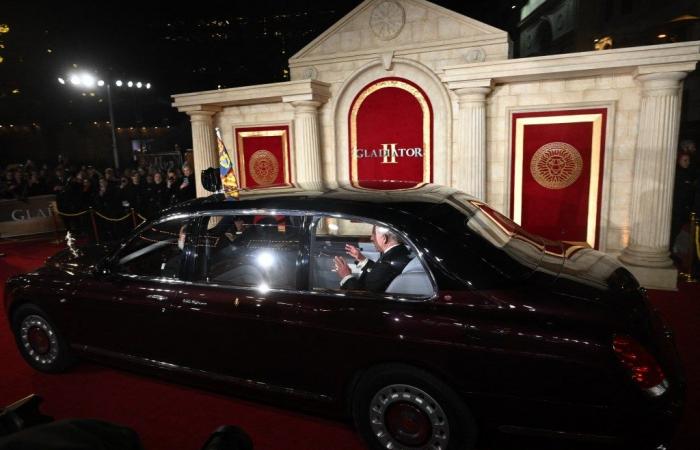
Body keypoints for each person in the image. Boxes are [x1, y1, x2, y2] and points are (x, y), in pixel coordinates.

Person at [333, 225, 411, 293]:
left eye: (374, 234)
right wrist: (361, 258)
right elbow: (376, 272)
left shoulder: (387, 264)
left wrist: (346, 275)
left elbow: (362, 295)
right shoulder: (398, 253)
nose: (371, 238)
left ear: (384, 238)